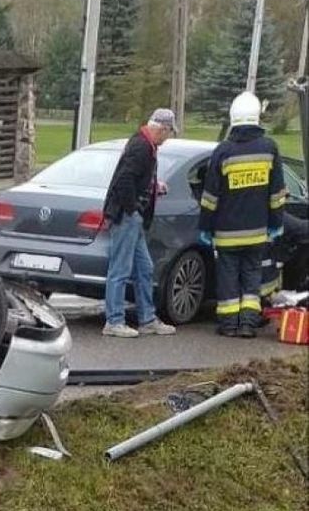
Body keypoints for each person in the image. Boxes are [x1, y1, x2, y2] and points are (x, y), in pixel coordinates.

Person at [199, 91, 286, 338]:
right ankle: (248, 324)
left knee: (228, 277)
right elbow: (277, 193)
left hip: (227, 232)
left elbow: (210, 196)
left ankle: (229, 324)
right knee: (252, 277)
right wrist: (276, 223)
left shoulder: (223, 151)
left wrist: (205, 226)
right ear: (257, 117)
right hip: (257, 231)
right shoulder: (269, 148)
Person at [100, 109, 179, 338]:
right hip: (127, 216)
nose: (167, 138)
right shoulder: (141, 147)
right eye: (168, 133)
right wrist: (132, 209)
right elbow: (124, 179)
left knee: (144, 268)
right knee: (120, 270)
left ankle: (148, 319)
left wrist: (154, 186)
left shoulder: (145, 145)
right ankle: (114, 321)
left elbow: (135, 177)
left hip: (132, 217)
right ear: (161, 129)